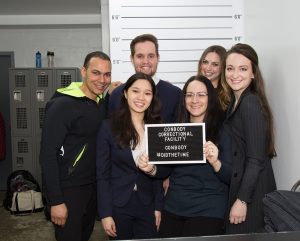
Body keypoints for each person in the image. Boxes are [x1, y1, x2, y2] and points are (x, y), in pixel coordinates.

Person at [138, 75, 232, 237]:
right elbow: (165, 170)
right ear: (184, 99)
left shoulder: (223, 131)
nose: (194, 100)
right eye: (189, 95)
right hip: (174, 207)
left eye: (201, 95)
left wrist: (216, 162)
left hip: (208, 209)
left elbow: (231, 176)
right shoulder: (174, 129)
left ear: (210, 98)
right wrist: (151, 169)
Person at [40, 51, 118, 241]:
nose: (102, 79)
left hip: (92, 188)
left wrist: (109, 96)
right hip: (69, 190)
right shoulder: (62, 105)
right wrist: (56, 200)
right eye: (96, 73)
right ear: (83, 71)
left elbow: (92, 126)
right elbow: (47, 155)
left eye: (107, 74)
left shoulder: (99, 103)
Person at [96, 72, 164, 240]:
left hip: (147, 204)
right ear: (125, 94)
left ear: (152, 98)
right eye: (135, 91)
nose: (141, 97)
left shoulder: (157, 128)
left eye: (147, 93)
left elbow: (159, 172)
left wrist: (158, 207)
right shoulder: (108, 127)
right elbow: (102, 175)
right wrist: (105, 213)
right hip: (118, 204)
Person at [219, 43, 277, 234]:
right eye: (230, 68)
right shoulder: (236, 101)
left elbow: (256, 159)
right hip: (245, 187)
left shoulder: (250, 102)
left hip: (253, 194)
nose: (235, 74)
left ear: (253, 73)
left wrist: (242, 200)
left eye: (243, 69)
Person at [109, 33, 182, 123]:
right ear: (132, 59)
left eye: (151, 56)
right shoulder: (117, 94)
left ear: (158, 58)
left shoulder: (175, 94)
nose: (145, 61)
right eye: (140, 56)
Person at [197, 45, 229, 112]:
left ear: (223, 67)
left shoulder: (229, 96)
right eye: (205, 62)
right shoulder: (191, 90)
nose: (208, 68)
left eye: (215, 64)